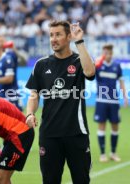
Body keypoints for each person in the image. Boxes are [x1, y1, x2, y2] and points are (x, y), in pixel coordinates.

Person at [26, 20, 95, 184]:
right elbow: (34, 95)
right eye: (51, 35)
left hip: (76, 134)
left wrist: (79, 41)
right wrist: (29, 113)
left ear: (69, 37)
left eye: (58, 34)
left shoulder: (79, 61)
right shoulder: (41, 64)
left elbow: (90, 72)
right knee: (50, 181)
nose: (53, 39)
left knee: (81, 180)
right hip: (49, 135)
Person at [94, 44, 128, 162]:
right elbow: (89, 74)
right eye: (105, 53)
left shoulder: (117, 66)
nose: (107, 55)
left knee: (115, 126)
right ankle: (103, 154)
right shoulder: (98, 65)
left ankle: (113, 153)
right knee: (101, 126)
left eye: (108, 53)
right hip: (101, 101)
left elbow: (121, 82)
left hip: (114, 101)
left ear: (112, 53)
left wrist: (125, 97)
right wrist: (95, 65)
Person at [0, 41, 22, 110]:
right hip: (0, 95)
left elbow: (9, 79)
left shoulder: (7, 59)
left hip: (10, 95)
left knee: (14, 119)